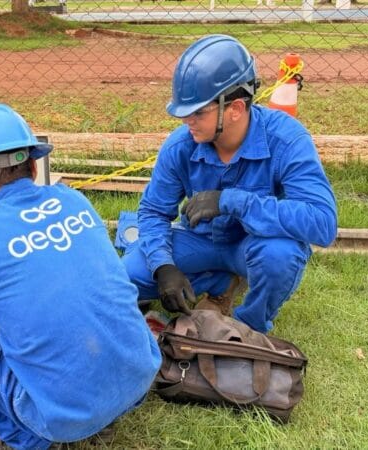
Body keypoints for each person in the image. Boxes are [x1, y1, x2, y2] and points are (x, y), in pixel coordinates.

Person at [0, 104, 161, 450]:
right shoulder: (74, 200)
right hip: (138, 377)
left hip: (62, 417)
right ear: (34, 166)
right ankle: (101, 410)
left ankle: (22, 436)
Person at [122, 35, 337, 334]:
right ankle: (220, 282)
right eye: (184, 111)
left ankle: (248, 327)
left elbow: (322, 223)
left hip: (252, 244)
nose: (186, 121)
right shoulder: (180, 146)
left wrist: (232, 201)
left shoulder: (287, 139)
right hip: (199, 240)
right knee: (126, 275)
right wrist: (163, 266)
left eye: (198, 112)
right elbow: (154, 212)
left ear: (235, 108)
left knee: (280, 256)